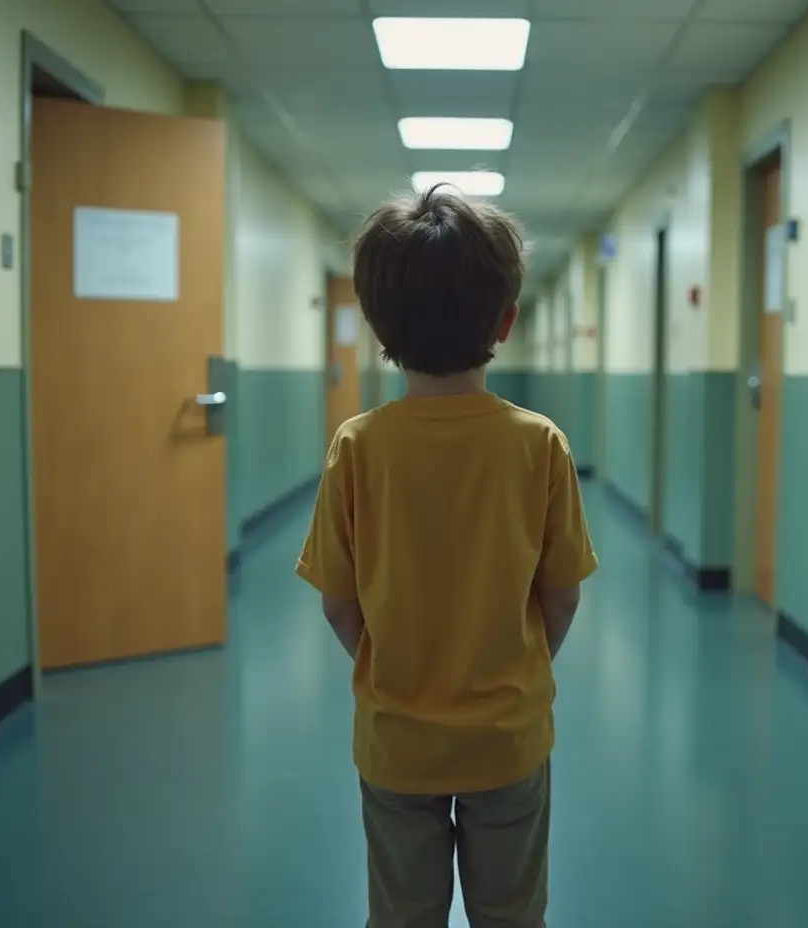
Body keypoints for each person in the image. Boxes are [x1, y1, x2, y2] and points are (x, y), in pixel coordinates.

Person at [295, 184, 598, 928]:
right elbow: (560, 596)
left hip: (397, 738)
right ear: (506, 319)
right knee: (512, 912)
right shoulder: (539, 445)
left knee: (402, 914)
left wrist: (398, 668)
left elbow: (339, 602)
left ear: (378, 326)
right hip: (508, 736)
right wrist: (517, 671)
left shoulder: (358, 448)